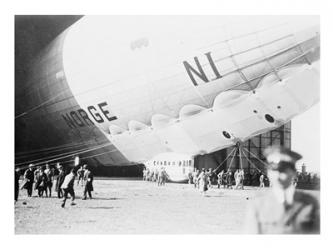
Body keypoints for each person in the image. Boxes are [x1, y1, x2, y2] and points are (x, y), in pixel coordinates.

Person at [244, 145, 320, 234]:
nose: (278, 176)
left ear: (294, 173)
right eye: (273, 170)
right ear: (268, 172)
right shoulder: (258, 204)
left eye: (283, 171)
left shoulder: (309, 203)